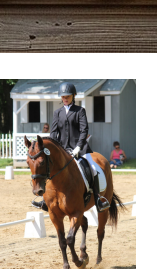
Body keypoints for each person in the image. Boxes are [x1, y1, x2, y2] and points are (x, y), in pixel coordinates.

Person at [32, 81, 110, 212]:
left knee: (93, 168)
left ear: (73, 96)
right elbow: (54, 133)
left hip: (80, 149)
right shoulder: (58, 112)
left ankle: (98, 198)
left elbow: (84, 130)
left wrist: (79, 147)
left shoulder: (80, 111)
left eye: (67, 96)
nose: (65, 98)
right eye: (63, 96)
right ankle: (46, 200)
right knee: (48, 169)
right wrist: (54, 149)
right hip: (62, 150)